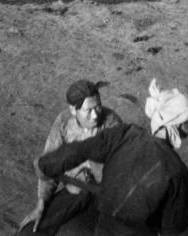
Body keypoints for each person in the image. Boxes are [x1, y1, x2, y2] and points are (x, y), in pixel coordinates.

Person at [29, 79, 188, 236]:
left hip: (104, 214)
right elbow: (173, 227)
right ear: (178, 125)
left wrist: (44, 165)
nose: (95, 115)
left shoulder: (123, 132)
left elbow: (78, 150)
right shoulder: (176, 170)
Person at [18, 78, 123, 235]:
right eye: (89, 110)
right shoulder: (64, 122)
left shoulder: (112, 123)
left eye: (98, 107)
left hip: (105, 194)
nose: (95, 115)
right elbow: (50, 164)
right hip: (75, 188)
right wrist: (41, 203)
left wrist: (91, 167)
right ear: (74, 110)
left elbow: (121, 171)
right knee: (31, 231)